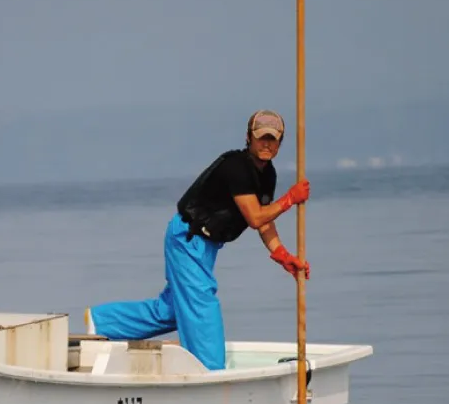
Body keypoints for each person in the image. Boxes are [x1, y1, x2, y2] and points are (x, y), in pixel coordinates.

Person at [86, 109, 310, 370]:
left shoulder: (267, 174)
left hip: (205, 246)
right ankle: (210, 371)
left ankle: (103, 322)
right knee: (201, 307)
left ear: (280, 143)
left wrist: (282, 255)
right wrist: (290, 199)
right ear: (248, 138)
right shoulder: (235, 167)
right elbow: (254, 217)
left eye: (273, 139)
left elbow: (265, 222)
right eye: (261, 138)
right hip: (188, 238)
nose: (266, 144)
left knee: (173, 310)